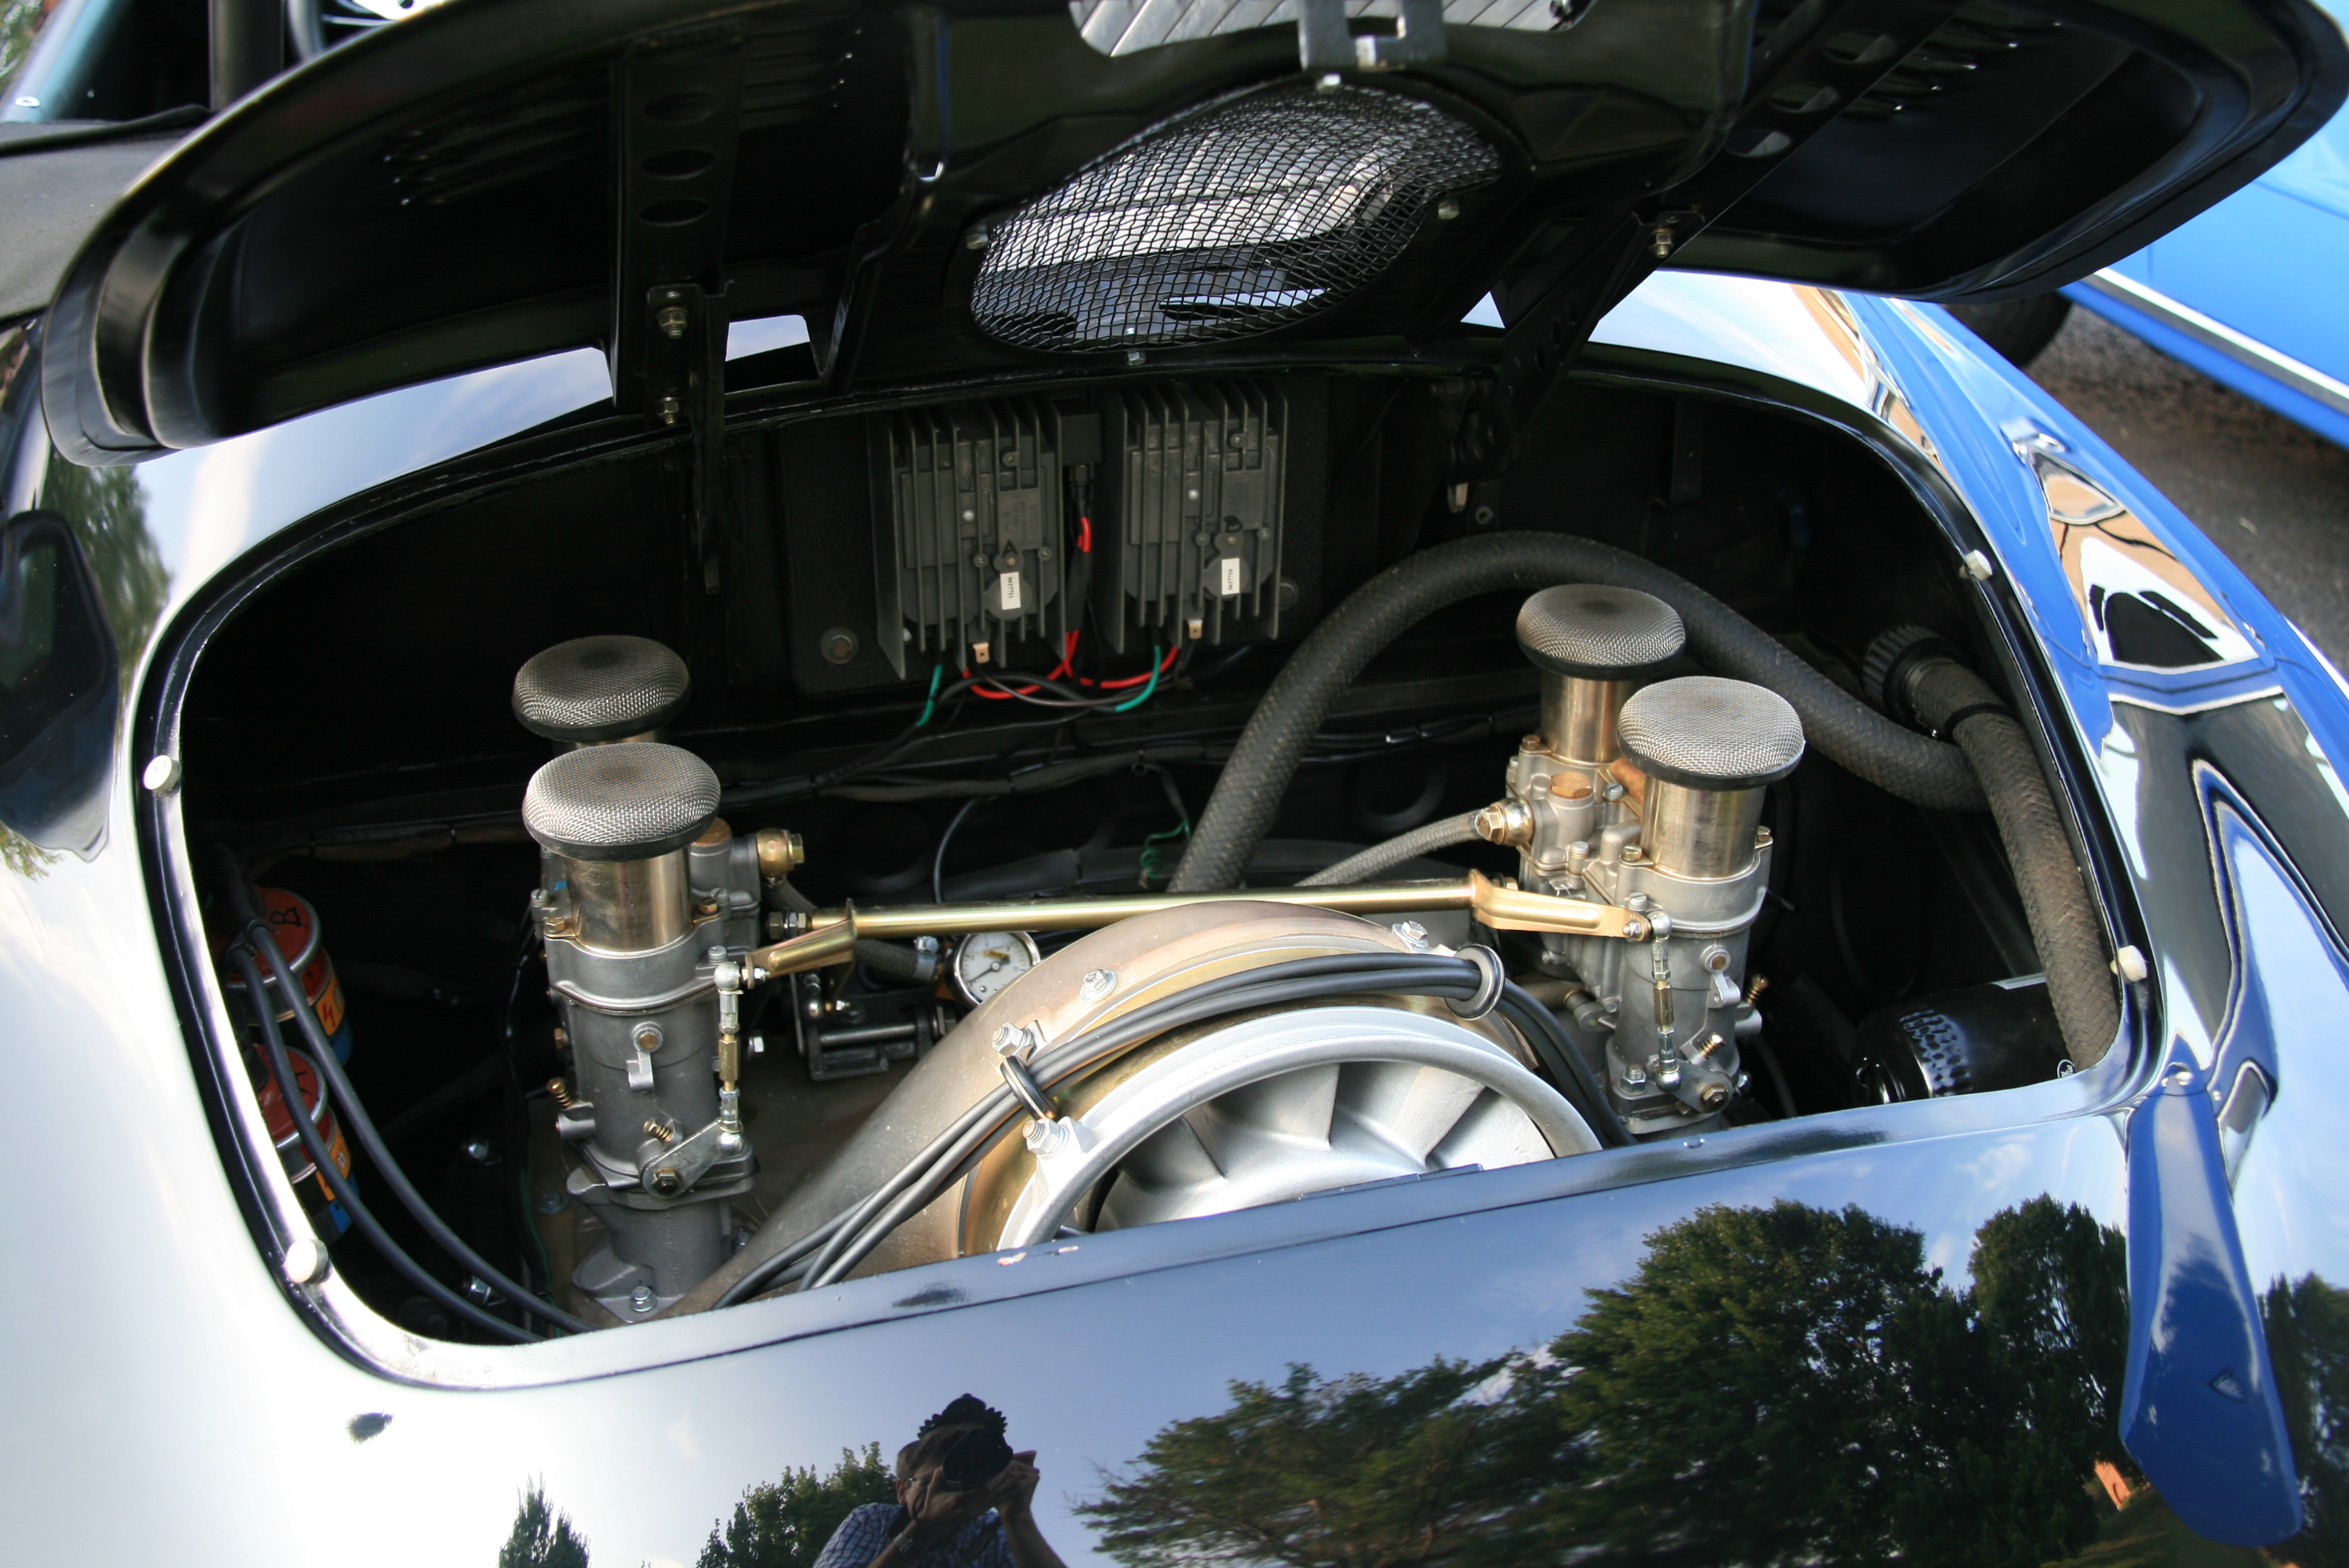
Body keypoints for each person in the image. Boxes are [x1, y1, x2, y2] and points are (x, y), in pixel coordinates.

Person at [813, 1396, 1068, 1568]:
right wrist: (921, 1529)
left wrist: (1018, 1517)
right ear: (902, 1490)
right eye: (930, 1482)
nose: (950, 1493)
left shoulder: (994, 1531)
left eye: (961, 1479)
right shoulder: (872, 1520)